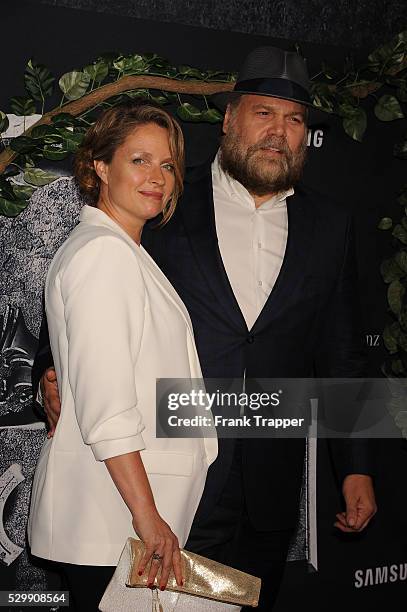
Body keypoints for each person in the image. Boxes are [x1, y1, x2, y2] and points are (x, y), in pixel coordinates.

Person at [34, 47, 377, 610]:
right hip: (169, 483)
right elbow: (89, 299)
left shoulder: (331, 224)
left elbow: (344, 354)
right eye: (264, 113)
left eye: (294, 120)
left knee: (244, 605)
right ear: (228, 119)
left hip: (269, 479)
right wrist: (54, 366)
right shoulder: (164, 200)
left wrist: (357, 469)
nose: (279, 132)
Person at [28, 101, 217, 612]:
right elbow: (108, 409)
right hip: (112, 519)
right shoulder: (104, 255)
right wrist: (148, 518)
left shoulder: (119, 249)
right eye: (139, 160)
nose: (157, 177)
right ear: (99, 166)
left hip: (118, 515)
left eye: (168, 165)